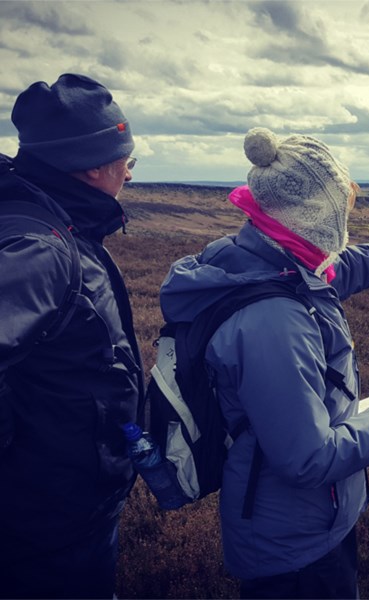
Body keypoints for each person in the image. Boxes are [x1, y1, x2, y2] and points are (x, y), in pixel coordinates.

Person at [159, 127, 369, 599]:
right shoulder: (273, 320)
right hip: (294, 547)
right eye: (343, 208)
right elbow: (306, 458)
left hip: (305, 522)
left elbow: (345, 268)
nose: (347, 221)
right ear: (317, 216)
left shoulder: (263, 256)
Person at [0, 74, 143, 599]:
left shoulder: (49, 221)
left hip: (51, 512)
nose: (129, 172)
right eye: (127, 160)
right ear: (92, 166)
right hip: (48, 524)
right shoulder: (41, 248)